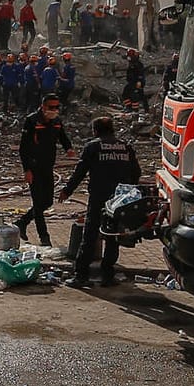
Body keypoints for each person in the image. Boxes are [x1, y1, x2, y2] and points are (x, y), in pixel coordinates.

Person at [60, 116, 142, 288]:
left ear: (95, 131)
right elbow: (136, 172)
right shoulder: (126, 147)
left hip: (99, 197)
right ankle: (107, 275)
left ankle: (81, 276)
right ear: (112, 129)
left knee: (90, 235)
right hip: (119, 199)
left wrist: (67, 190)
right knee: (112, 236)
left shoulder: (93, 147)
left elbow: (80, 172)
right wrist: (128, 190)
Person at [14, 94, 73, 246]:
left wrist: (69, 149)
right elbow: (23, 148)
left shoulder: (57, 122)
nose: (54, 110)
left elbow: (62, 137)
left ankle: (22, 222)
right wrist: (27, 170)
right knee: (38, 203)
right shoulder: (32, 121)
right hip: (34, 167)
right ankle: (44, 237)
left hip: (48, 166)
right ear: (43, 106)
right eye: (51, 107)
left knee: (47, 202)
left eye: (56, 107)